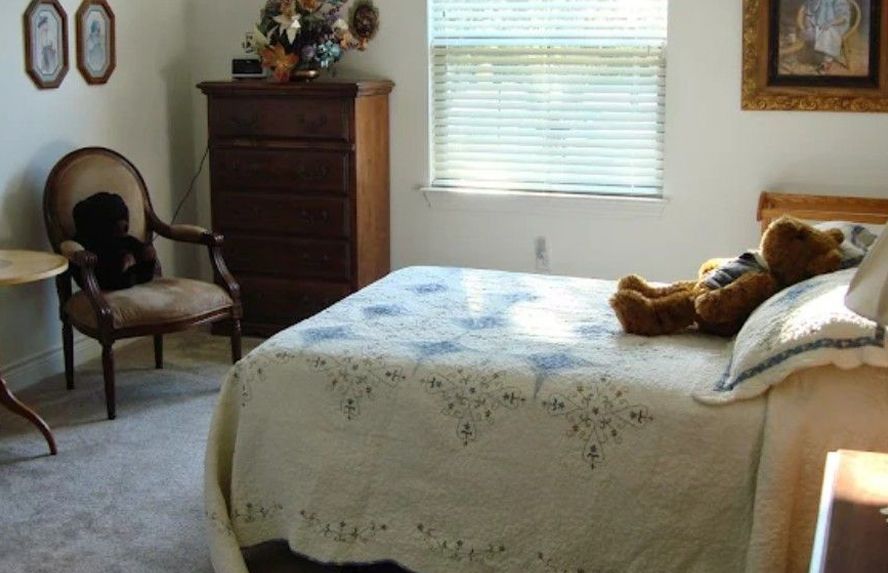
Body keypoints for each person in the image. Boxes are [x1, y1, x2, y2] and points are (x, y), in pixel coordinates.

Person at [802, 0, 853, 72]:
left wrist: (830, 23)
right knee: (809, 30)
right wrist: (808, 20)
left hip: (836, 24)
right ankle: (815, 49)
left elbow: (843, 17)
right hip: (819, 22)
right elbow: (810, 10)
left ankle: (827, 60)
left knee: (828, 32)